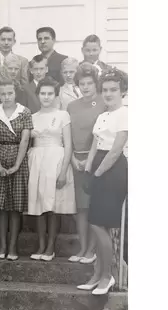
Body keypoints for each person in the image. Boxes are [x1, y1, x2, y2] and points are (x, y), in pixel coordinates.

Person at [77, 68, 128, 295]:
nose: (108, 94)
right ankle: (97, 275)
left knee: (100, 223)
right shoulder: (102, 116)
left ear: (122, 91)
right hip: (98, 166)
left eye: (113, 90)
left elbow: (116, 150)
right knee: (95, 223)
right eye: (105, 90)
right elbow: (95, 145)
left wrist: (97, 173)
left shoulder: (125, 114)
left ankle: (108, 276)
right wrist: (88, 170)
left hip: (113, 170)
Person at [26, 77, 76, 261]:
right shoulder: (32, 117)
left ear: (56, 96)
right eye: (43, 93)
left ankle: (50, 246)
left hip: (56, 158)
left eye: (50, 94)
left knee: (52, 205)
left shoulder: (63, 115)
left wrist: (63, 171)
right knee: (38, 203)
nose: (46, 97)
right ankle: (40, 244)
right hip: (37, 159)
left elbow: (68, 145)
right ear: (38, 95)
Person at [0, 79, 33, 261]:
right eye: (3, 93)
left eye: (10, 93)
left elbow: (25, 140)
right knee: (1, 208)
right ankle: (2, 245)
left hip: (18, 160)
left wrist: (16, 166)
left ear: (15, 93)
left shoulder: (25, 112)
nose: (6, 97)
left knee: (15, 208)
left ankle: (13, 246)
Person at [67, 62, 106, 264]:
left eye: (89, 83)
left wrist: (90, 162)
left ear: (95, 84)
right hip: (76, 161)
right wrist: (73, 158)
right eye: (82, 83)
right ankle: (83, 248)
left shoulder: (103, 103)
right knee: (81, 209)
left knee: (93, 208)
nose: (86, 87)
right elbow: (68, 136)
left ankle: (92, 250)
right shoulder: (72, 106)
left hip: (97, 161)